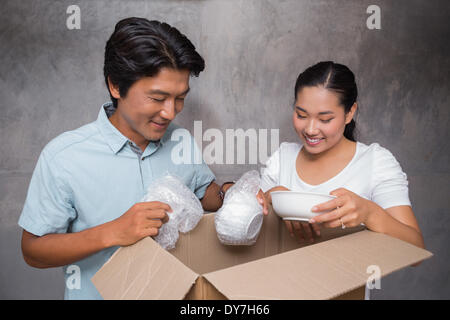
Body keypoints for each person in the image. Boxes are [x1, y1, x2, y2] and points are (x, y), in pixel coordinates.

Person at [18, 17, 234, 299]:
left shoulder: (180, 140)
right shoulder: (64, 158)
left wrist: (232, 193)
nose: (171, 112)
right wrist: (113, 232)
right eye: (158, 98)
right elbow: (33, 251)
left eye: (180, 97)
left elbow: (204, 193)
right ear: (116, 86)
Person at [258, 61, 425, 249]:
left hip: (350, 276)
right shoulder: (282, 158)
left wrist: (370, 213)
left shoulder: (375, 162)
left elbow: (416, 247)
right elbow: (251, 232)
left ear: (349, 113)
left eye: (325, 119)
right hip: (283, 276)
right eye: (301, 115)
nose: (311, 130)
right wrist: (268, 201)